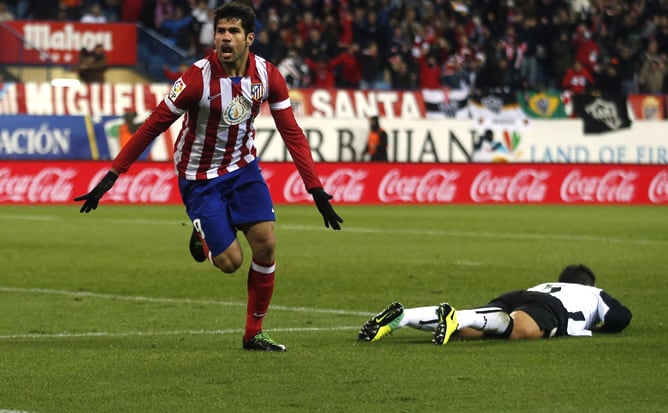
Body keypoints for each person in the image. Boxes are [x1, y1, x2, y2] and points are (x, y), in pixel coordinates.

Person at [74, 2, 343, 352]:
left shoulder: (267, 75)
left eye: (233, 31)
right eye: (220, 31)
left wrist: (316, 188)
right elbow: (153, 124)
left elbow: (291, 131)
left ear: (249, 38)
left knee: (266, 244)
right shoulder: (195, 79)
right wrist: (113, 175)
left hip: (244, 169)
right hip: (200, 177)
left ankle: (253, 333)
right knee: (231, 263)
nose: (225, 38)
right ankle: (203, 238)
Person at [358, 264, 632, 346]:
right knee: (516, 329)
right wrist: (597, 328)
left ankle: (404, 317)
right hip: (552, 309)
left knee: (475, 327)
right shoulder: (593, 292)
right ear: (589, 282)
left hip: (523, 293)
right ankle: (458, 318)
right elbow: (621, 317)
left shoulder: (548, 283)